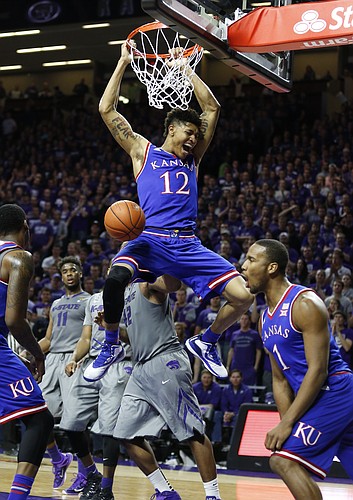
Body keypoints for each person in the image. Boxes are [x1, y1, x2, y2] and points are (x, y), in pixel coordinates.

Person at [85, 39, 253, 383]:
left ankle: (207, 342)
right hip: (148, 238)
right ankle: (111, 343)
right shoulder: (142, 151)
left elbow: (212, 109)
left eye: (195, 134)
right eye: (188, 132)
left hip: (187, 243)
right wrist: (123, 63)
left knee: (242, 296)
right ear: (171, 129)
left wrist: (186, 68)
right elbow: (106, 110)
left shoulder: (194, 158)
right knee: (115, 280)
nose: (193, 138)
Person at [90, 275, 222, 500]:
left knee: (192, 432)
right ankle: (165, 491)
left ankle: (213, 496)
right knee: (125, 434)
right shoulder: (126, 293)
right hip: (140, 368)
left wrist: (160, 260)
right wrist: (110, 327)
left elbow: (173, 284)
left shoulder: (148, 281)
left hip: (165, 362)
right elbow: (135, 338)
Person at [241, 239, 353, 500]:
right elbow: (279, 380)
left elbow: (318, 371)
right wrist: (285, 423)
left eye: (250, 260)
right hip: (318, 398)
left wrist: (289, 422)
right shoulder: (264, 320)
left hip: (335, 390)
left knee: (283, 461)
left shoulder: (304, 303)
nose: (243, 267)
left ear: (272, 268)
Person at [0, 204, 54, 499]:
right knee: (40, 420)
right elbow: (14, 321)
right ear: (25, 227)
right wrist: (38, 353)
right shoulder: (18, 257)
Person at [60, 289, 134, 498]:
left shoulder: (135, 297)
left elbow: (138, 337)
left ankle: (106, 489)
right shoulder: (94, 299)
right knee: (70, 422)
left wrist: (112, 327)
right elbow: (86, 336)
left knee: (108, 429)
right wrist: (74, 357)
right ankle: (92, 473)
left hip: (119, 364)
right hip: (91, 362)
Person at [37, 256, 90, 489]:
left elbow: (89, 337)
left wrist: (79, 358)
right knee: (38, 416)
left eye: (73, 270)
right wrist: (28, 352)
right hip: (52, 361)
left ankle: (86, 473)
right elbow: (48, 339)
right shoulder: (56, 304)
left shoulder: (89, 301)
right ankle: (58, 460)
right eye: (65, 271)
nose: (69, 273)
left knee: (73, 422)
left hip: (74, 359)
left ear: (80, 274)